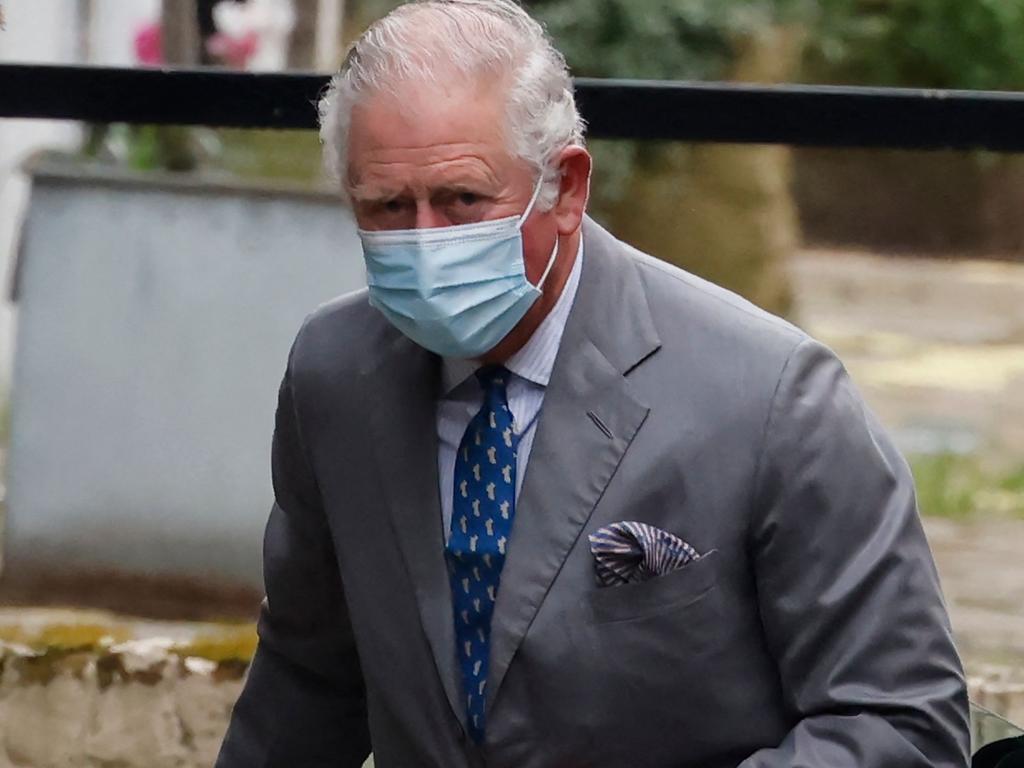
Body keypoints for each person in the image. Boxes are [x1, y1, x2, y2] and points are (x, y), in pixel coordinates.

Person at [215, 1, 971, 766]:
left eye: (463, 201)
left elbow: (900, 725)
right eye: (386, 206)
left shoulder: (773, 397)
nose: (424, 241)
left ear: (567, 188)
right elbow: (308, 683)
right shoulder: (335, 373)